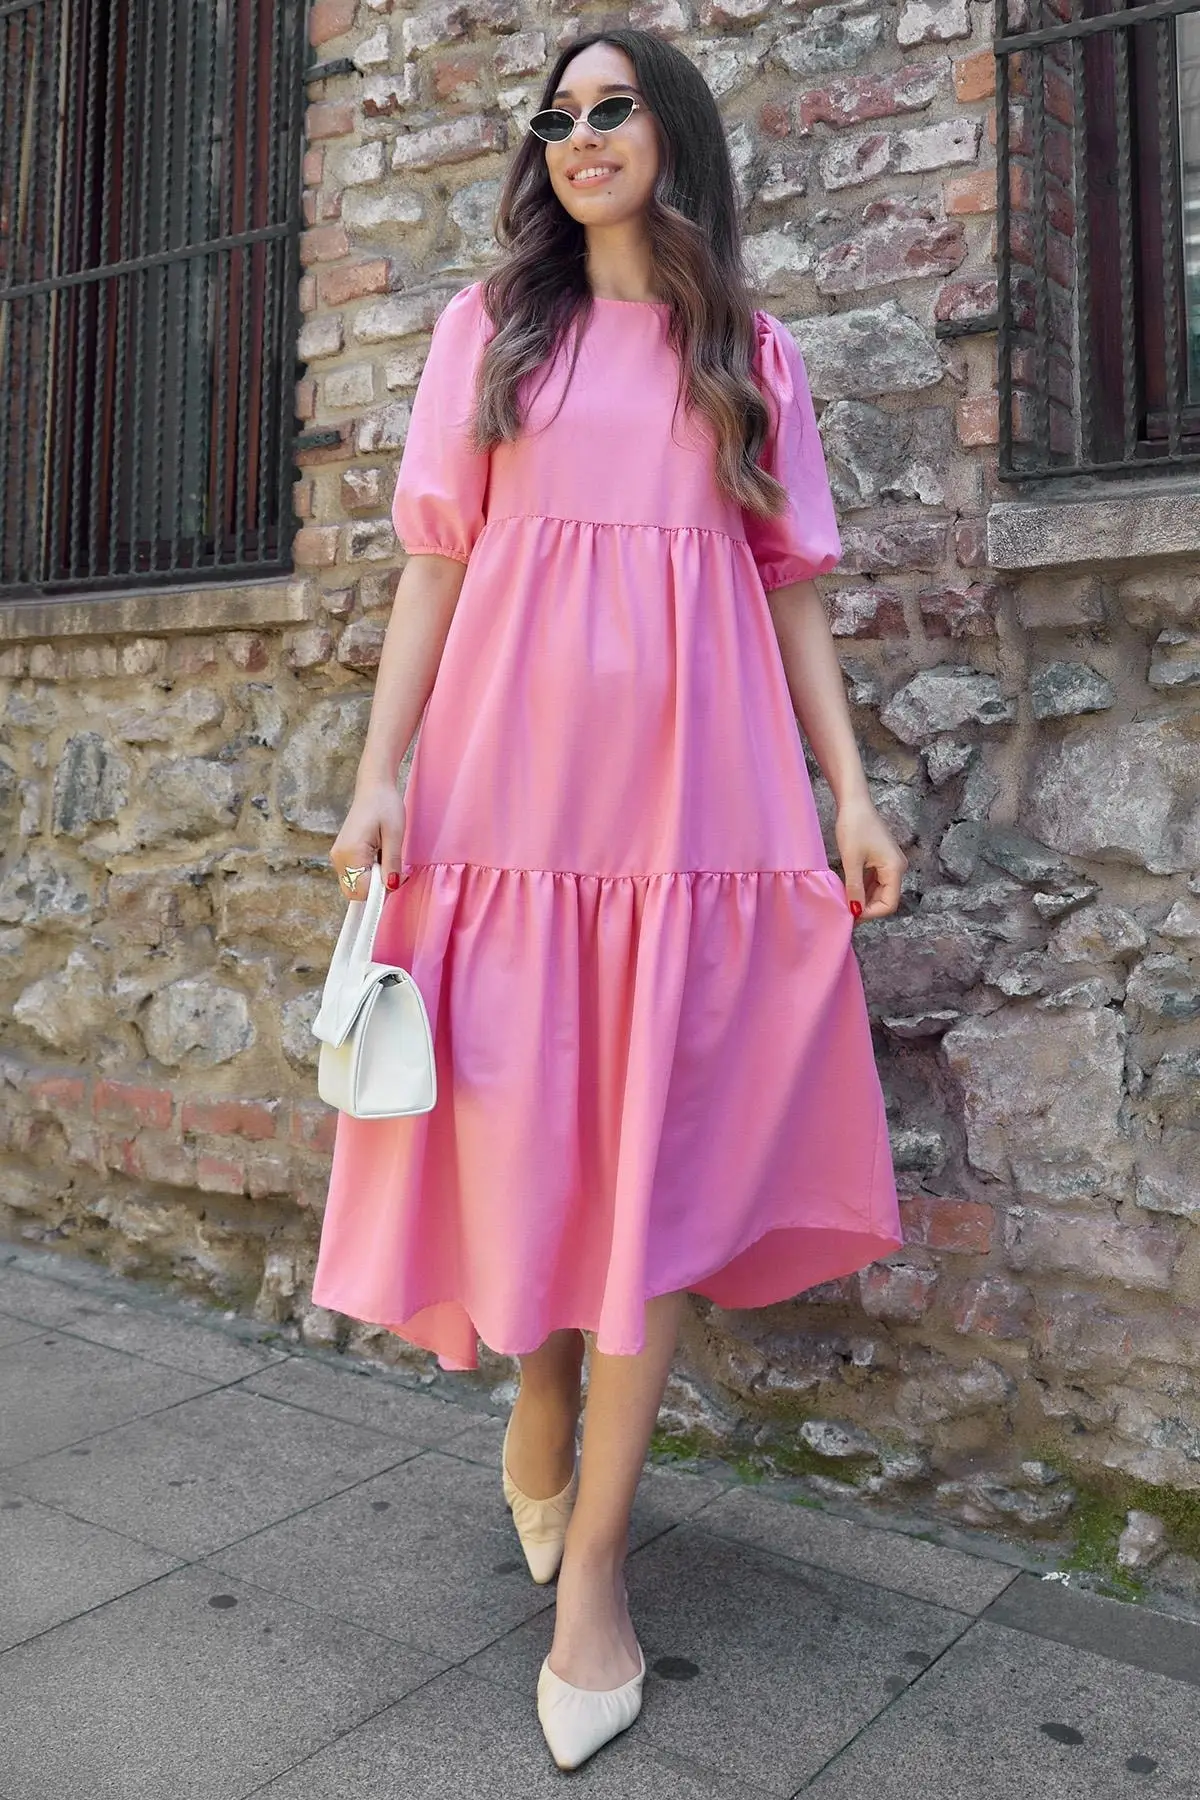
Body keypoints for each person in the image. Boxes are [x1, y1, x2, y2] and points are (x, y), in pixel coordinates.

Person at [311, 25, 908, 1772]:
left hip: (698, 802)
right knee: (527, 1123)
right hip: (511, 788)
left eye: (613, 107)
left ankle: (597, 1578)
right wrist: (378, 772)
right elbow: (436, 565)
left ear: (672, 132)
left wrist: (851, 792)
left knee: (658, 1144)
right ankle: (543, 1383)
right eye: (557, 116)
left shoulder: (750, 352)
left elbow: (789, 585)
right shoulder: (491, 331)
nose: (581, 136)